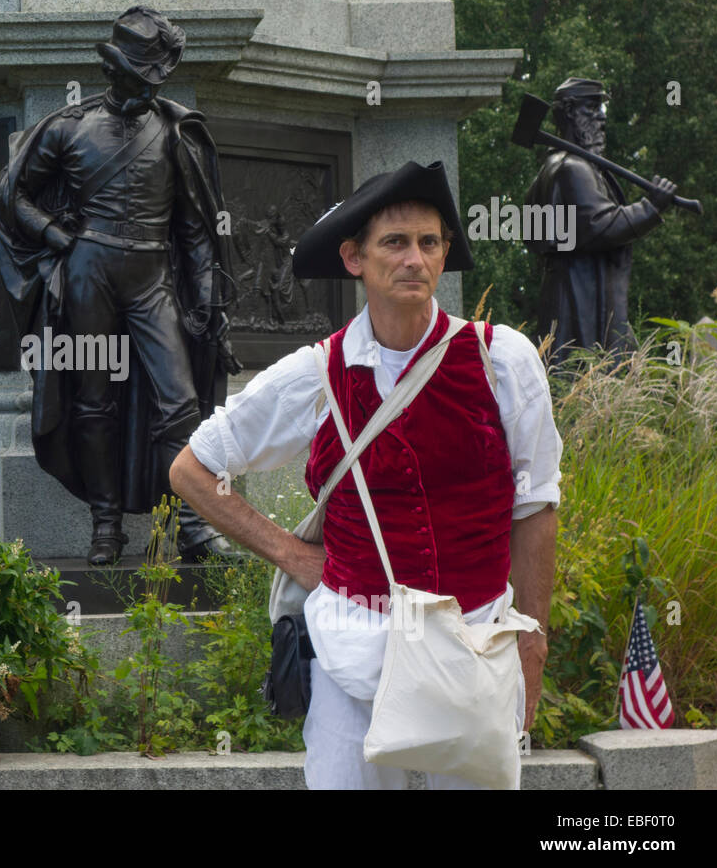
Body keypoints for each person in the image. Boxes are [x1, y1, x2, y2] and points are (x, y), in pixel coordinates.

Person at [170, 161, 563, 789]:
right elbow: (193, 470)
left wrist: (533, 638)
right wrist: (297, 558)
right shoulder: (317, 374)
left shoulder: (502, 361)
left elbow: (536, 507)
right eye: (395, 242)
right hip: (353, 652)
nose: (415, 258)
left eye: (429, 242)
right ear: (354, 258)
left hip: (476, 648)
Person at [0, 6, 241, 566]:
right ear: (117, 70)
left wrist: (204, 299)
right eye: (145, 72)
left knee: (181, 401)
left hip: (153, 277)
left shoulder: (177, 131)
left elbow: (196, 230)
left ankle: (195, 524)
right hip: (88, 275)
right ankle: (106, 523)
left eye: (157, 75)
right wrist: (54, 233)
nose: (154, 84)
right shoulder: (66, 128)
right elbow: (9, 196)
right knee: (94, 401)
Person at [525, 77, 678, 366]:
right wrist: (650, 207)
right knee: (588, 374)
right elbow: (601, 225)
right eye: (592, 108)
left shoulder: (549, 170)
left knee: (572, 374)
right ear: (569, 112)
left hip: (567, 292)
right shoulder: (572, 168)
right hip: (581, 297)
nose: (601, 119)